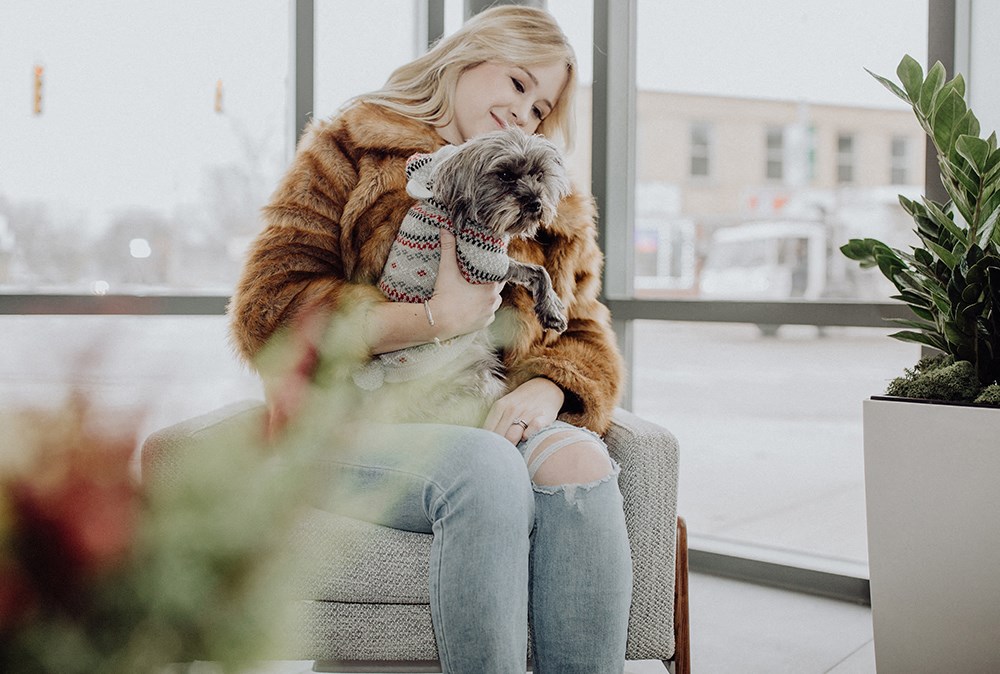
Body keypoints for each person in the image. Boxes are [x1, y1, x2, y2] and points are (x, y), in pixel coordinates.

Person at [228, 6, 630, 673]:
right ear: (469, 57)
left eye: (541, 108)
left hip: (486, 410)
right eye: (519, 82)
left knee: (582, 465)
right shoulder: (350, 147)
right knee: (485, 467)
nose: (524, 112)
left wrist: (544, 387)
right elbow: (267, 310)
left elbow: (584, 331)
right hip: (351, 419)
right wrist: (436, 318)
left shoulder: (546, 200)